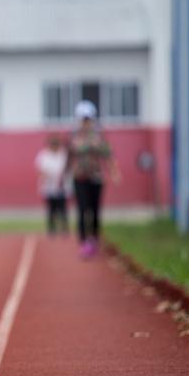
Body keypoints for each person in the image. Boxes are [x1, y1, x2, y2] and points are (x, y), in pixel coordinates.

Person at [65, 100, 120, 258]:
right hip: (79, 177)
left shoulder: (99, 135)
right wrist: (65, 175)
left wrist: (114, 172)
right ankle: (84, 242)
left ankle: (94, 239)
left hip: (96, 177)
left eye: (88, 119)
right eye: (83, 119)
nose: (85, 122)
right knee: (83, 210)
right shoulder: (72, 136)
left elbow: (107, 155)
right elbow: (69, 156)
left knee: (95, 210)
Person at [34, 135, 69, 236]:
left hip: (61, 186)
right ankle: (51, 229)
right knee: (51, 209)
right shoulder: (43, 155)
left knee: (62, 209)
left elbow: (68, 168)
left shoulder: (64, 154)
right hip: (48, 186)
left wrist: (62, 177)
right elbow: (39, 169)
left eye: (56, 144)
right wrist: (47, 176)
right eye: (52, 144)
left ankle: (64, 228)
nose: (54, 146)